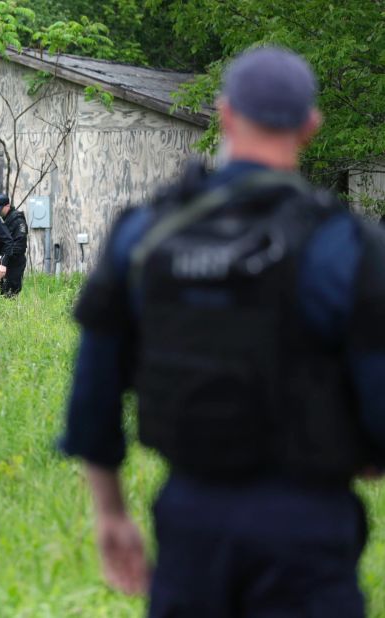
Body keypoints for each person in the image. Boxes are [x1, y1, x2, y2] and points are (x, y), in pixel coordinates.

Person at [57, 47, 385, 616]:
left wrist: (110, 514)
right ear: (310, 126)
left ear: (224, 114)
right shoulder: (346, 245)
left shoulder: (144, 235)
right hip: (308, 519)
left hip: (191, 516)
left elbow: (93, 393)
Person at [0, 194, 28, 296]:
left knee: (11, 293)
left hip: (14, 262)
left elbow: (19, 245)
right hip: (0, 261)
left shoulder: (18, 221)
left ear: (7, 206)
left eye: (0, 208)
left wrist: (5, 256)